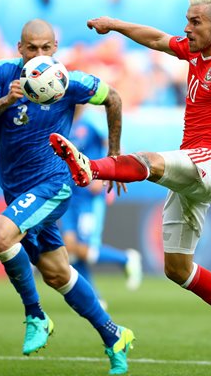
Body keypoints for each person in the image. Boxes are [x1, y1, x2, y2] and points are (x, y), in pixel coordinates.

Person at [50, 0, 211, 362]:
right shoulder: (196, 48)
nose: (187, 28)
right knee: (176, 269)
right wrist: (114, 25)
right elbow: (158, 39)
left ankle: (90, 167)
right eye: (188, 20)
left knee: (151, 161)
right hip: (192, 167)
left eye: (195, 22)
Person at [0, 19, 134, 375]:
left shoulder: (70, 82)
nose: (39, 55)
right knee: (57, 273)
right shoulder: (2, 74)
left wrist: (115, 160)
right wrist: (5, 100)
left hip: (54, 184)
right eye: (32, 48)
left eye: (46, 48)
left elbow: (114, 98)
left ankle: (36, 316)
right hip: (15, 188)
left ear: (55, 47)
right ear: (20, 48)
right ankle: (114, 335)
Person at [59, 104, 143, 306]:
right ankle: (94, 298)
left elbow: (112, 143)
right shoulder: (63, 124)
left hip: (88, 196)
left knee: (85, 248)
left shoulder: (91, 122)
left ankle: (125, 259)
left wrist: (103, 174)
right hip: (68, 194)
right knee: (70, 247)